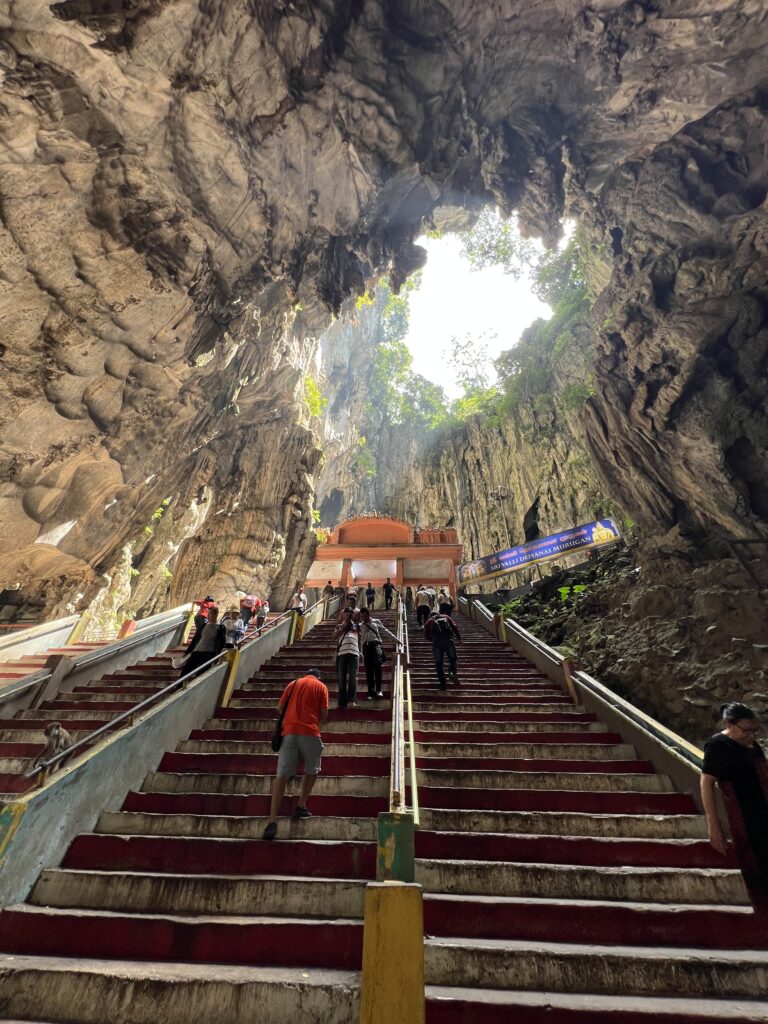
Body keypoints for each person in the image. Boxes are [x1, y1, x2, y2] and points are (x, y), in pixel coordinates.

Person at [701, 702, 768, 877]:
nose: (751, 735)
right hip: (744, 817)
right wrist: (713, 825)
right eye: (746, 730)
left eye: (754, 731)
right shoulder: (718, 746)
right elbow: (706, 782)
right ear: (729, 725)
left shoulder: (753, 746)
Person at [262, 667, 329, 841]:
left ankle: (272, 820)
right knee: (312, 768)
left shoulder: (293, 684)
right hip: (310, 731)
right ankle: (301, 804)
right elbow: (324, 714)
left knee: (281, 775)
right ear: (318, 676)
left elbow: (280, 707)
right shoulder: (321, 687)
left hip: (289, 732)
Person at [359, 606, 400, 700]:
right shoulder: (361, 625)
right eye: (362, 617)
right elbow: (361, 640)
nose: (363, 618)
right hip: (366, 647)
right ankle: (371, 692)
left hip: (376, 645)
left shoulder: (376, 622)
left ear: (369, 615)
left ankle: (379, 690)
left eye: (365, 616)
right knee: (369, 670)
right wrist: (361, 652)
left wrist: (396, 640)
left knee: (377, 666)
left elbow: (385, 631)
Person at [424, 608, 461, 690]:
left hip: (437, 643)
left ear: (430, 615)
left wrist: (433, 639)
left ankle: (443, 683)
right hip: (448, 640)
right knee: (453, 658)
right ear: (439, 613)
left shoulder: (429, 621)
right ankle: (452, 672)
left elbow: (426, 634)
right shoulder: (446, 617)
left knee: (439, 663)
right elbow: (454, 627)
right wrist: (458, 637)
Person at [184, 605, 226, 676]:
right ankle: (178, 686)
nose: (208, 616)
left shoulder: (220, 628)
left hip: (208, 653)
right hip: (196, 651)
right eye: (208, 614)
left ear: (216, 615)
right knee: (186, 671)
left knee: (201, 674)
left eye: (210, 614)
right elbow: (194, 640)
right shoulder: (203, 626)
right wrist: (186, 652)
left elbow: (222, 642)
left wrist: (219, 656)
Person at [334, 608, 361, 708]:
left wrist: (360, 652)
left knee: (353, 677)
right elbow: (334, 637)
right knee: (341, 677)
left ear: (353, 616)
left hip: (354, 653)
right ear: (343, 615)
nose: (349, 615)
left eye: (351, 614)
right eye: (347, 614)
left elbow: (359, 639)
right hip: (342, 653)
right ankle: (342, 701)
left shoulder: (357, 626)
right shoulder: (339, 626)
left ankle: (352, 700)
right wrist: (343, 627)